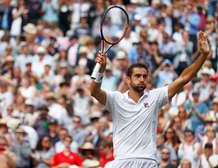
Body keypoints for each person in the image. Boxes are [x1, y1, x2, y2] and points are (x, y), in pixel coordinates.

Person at [89, 31, 211, 167]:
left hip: (148, 161)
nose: (142, 79)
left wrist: (204, 55)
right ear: (128, 79)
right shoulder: (116, 99)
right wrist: (100, 69)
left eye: (144, 76)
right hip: (122, 161)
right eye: (137, 76)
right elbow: (94, 91)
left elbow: (183, 79)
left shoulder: (155, 97)